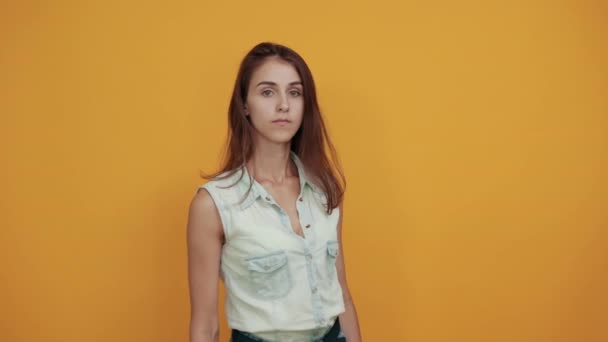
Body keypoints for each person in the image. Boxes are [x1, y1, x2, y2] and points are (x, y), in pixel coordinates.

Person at [187, 42, 362, 342]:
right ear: (244, 104)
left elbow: (342, 297)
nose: (283, 105)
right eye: (267, 92)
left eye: (294, 92)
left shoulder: (325, 190)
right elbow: (206, 325)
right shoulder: (214, 204)